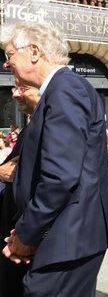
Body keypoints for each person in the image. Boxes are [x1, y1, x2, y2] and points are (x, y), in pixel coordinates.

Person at [1, 22, 108, 296]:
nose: (6, 65)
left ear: (34, 52)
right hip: (65, 234)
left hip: (69, 235)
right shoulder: (62, 90)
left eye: (9, 56)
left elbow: (59, 178)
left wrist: (26, 234)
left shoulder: (65, 89)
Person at [0, 82, 39, 297]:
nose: (14, 94)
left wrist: (26, 236)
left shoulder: (44, 128)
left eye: (22, 88)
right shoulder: (29, 128)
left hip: (24, 238)